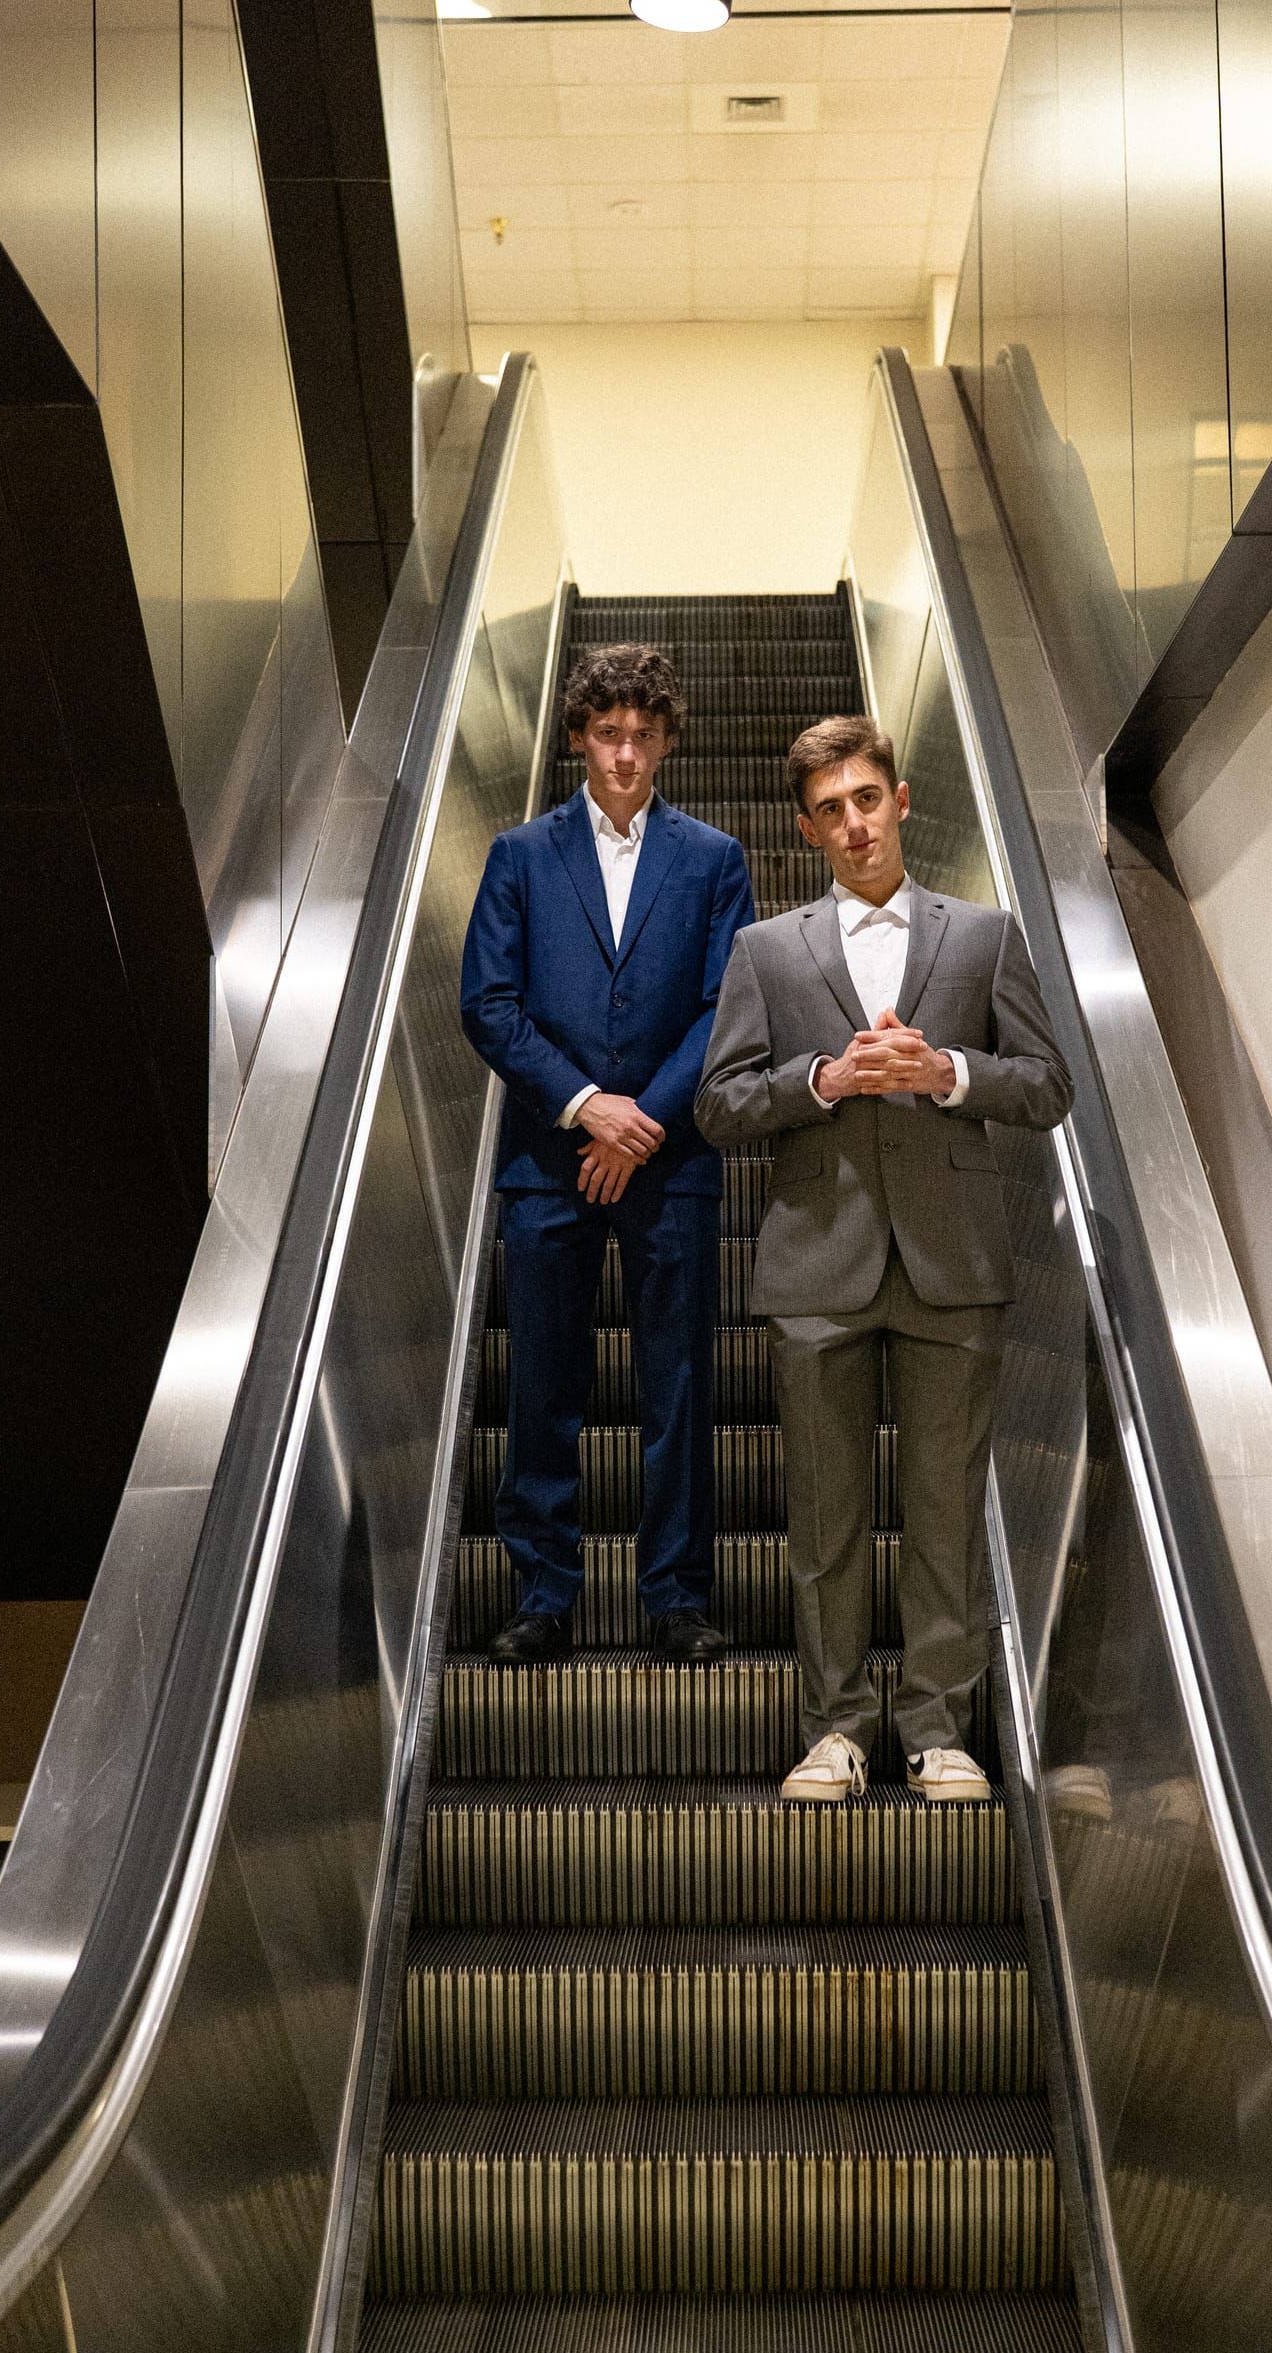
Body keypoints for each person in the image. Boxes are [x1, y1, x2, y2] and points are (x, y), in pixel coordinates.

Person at [695, 714, 1073, 1801]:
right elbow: (719, 1105)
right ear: (806, 830)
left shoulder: (986, 935)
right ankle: (835, 1732)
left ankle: (939, 1731)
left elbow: (1046, 1087)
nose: (853, 823)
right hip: (817, 1265)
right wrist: (822, 1082)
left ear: (900, 801)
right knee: (824, 1520)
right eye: (829, 810)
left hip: (953, 1264)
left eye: (867, 799)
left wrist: (944, 1070)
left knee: (945, 1511)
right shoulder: (765, 949)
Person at [461, 643, 755, 1664]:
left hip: (670, 1163)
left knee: (678, 1386)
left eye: (644, 735)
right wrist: (590, 1109)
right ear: (578, 736)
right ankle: (543, 1595)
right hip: (551, 1159)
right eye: (608, 733)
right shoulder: (519, 856)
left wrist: (645, 1125)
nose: (626, 754)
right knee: (543, 1381)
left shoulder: (715, 860)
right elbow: (487, 1006)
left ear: (666, 741)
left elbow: (727, 1007)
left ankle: (676, 1598)